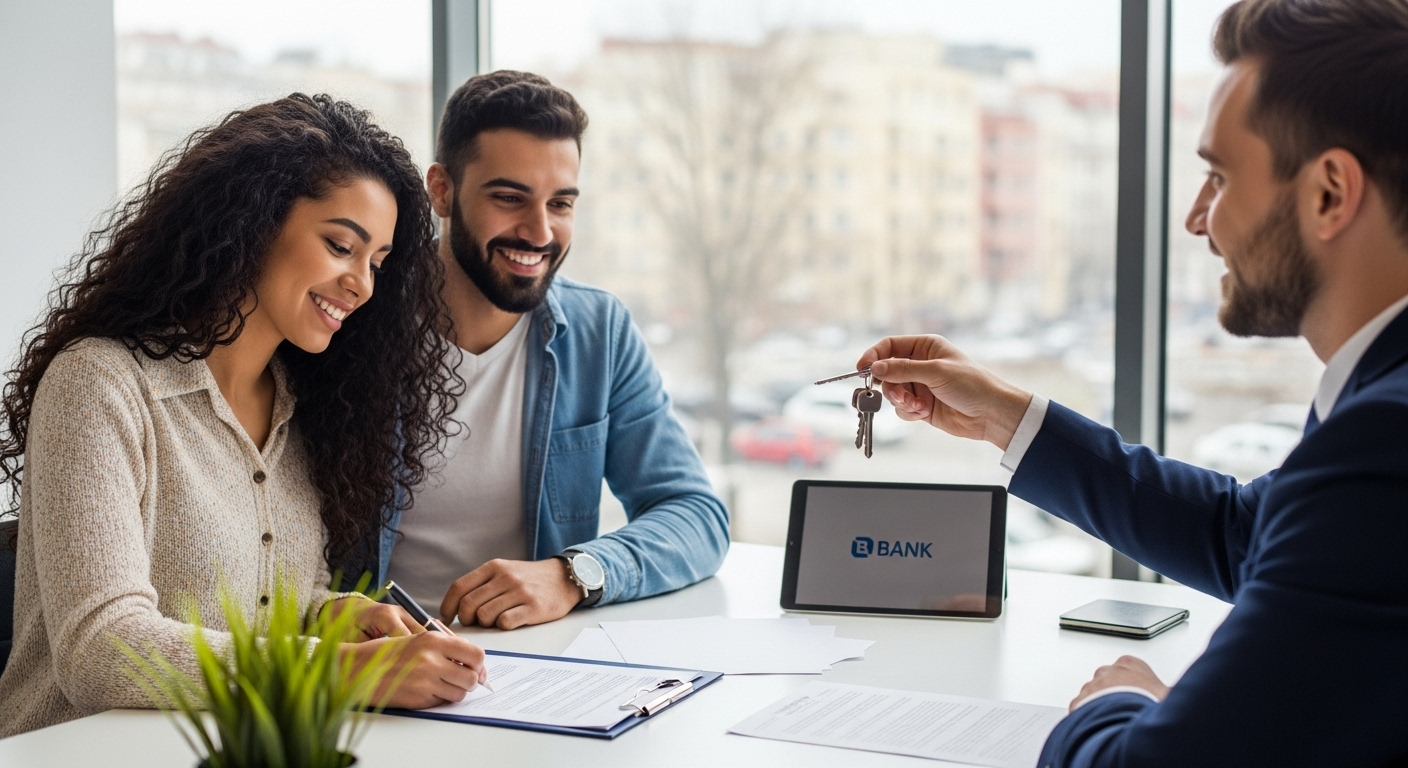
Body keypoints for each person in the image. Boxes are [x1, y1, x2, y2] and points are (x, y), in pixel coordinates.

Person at [858, 0, 1408, 765]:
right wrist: (1005, 416)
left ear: (1329, 194)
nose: (1195, 218)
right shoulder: (1381, 405)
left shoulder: (1385, 440)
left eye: (1218, 176)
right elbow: (1244, 536)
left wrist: (1123, 703)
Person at [0, 94, 490, 737]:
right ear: (252, 221)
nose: (363, 285)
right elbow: (103, 650)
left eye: (377, 263)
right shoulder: (100, 384)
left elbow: (266, 609)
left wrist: (335, 618)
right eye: (341, 245)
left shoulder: (304, 405)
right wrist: (348, 673)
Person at [371, 71, 729, 630]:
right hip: (373, 659)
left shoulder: (599, 331)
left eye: (560, 204)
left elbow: (696, 517)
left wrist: (572, 574)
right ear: (440, 190)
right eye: (510, 198)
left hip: (538, 664)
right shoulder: (354, 317)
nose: (539, 232)